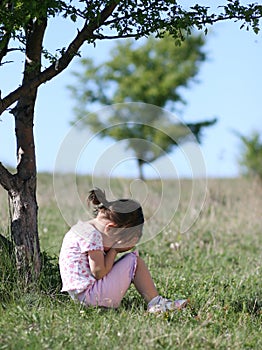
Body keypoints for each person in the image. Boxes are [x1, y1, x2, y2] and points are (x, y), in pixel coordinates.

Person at [59, 187, 188, 313]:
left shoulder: (82, 229)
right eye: (116, 241)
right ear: (110, 228)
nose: (106, 250)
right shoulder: (93, 235)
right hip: (92, 297)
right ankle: (157, 303)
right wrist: (115, 250)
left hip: (82, 297)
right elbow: (99, 272)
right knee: (134, 261)